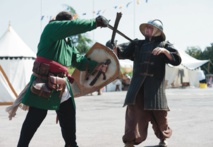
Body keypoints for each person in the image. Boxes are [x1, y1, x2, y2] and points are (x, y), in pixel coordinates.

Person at [15, 11, 109, 147]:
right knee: (35, 117)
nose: (71, 28)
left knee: (69, 116)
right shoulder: (51, 28)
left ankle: (71, 145)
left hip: (62, 85)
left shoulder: (67, 42)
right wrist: (95, 22)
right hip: (43, 82)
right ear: (64, 23)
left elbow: (78, 60)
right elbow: (73, 26)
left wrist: (97, 67)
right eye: (70, 23)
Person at [112, 19, 182, 147]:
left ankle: (163, 139)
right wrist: (113, 47)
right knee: (132, 115)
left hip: (155, 87)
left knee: (160, 116)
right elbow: (121, 52)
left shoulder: (165, 44)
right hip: (137, 86)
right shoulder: (137, 44)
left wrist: (165, 51)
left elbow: (176, 60)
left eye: (150, 28)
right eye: (146, 28)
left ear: (157, 31)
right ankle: (129, 141)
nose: (147, 30)